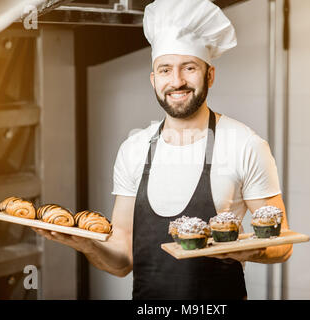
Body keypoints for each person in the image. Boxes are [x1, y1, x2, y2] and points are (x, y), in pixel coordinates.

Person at [33, 0, 292, 300]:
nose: (177, 81)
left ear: (209, 75)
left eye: (189, 68)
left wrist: (243, 250)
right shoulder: (133, 150)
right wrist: (87, 244)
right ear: (154, 80)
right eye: (165, 70)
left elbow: (282, 243)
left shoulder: (245, 145)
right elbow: (122, 261)